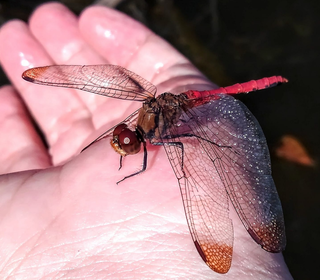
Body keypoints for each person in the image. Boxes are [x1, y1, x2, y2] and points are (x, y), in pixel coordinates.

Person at [0, 2, 292, 279]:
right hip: (171, 103)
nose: (120, 143)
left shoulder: (154, 133)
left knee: (183, 144)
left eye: (123, 144)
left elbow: (182, 154)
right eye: (122, 141)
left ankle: (274, 79)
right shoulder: (141, 115)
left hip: (197, 102)